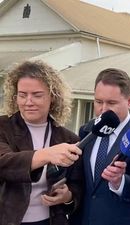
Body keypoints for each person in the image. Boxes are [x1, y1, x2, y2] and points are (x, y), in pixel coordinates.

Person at [0, 60, 83, 225]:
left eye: (37, 95)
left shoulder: (69, 139)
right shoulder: (2, 127)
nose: (28, 101)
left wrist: (68, 196)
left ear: (52, 97)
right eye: (22, 95)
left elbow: (78, 184)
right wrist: (47, 154)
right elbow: (4, 163)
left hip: (50, 220)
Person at [73, 68, 130, 225]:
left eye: (111, 103)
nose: (103, 109)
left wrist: (119, 182)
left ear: (129, 102)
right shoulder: (87, 129)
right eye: (98, 102)